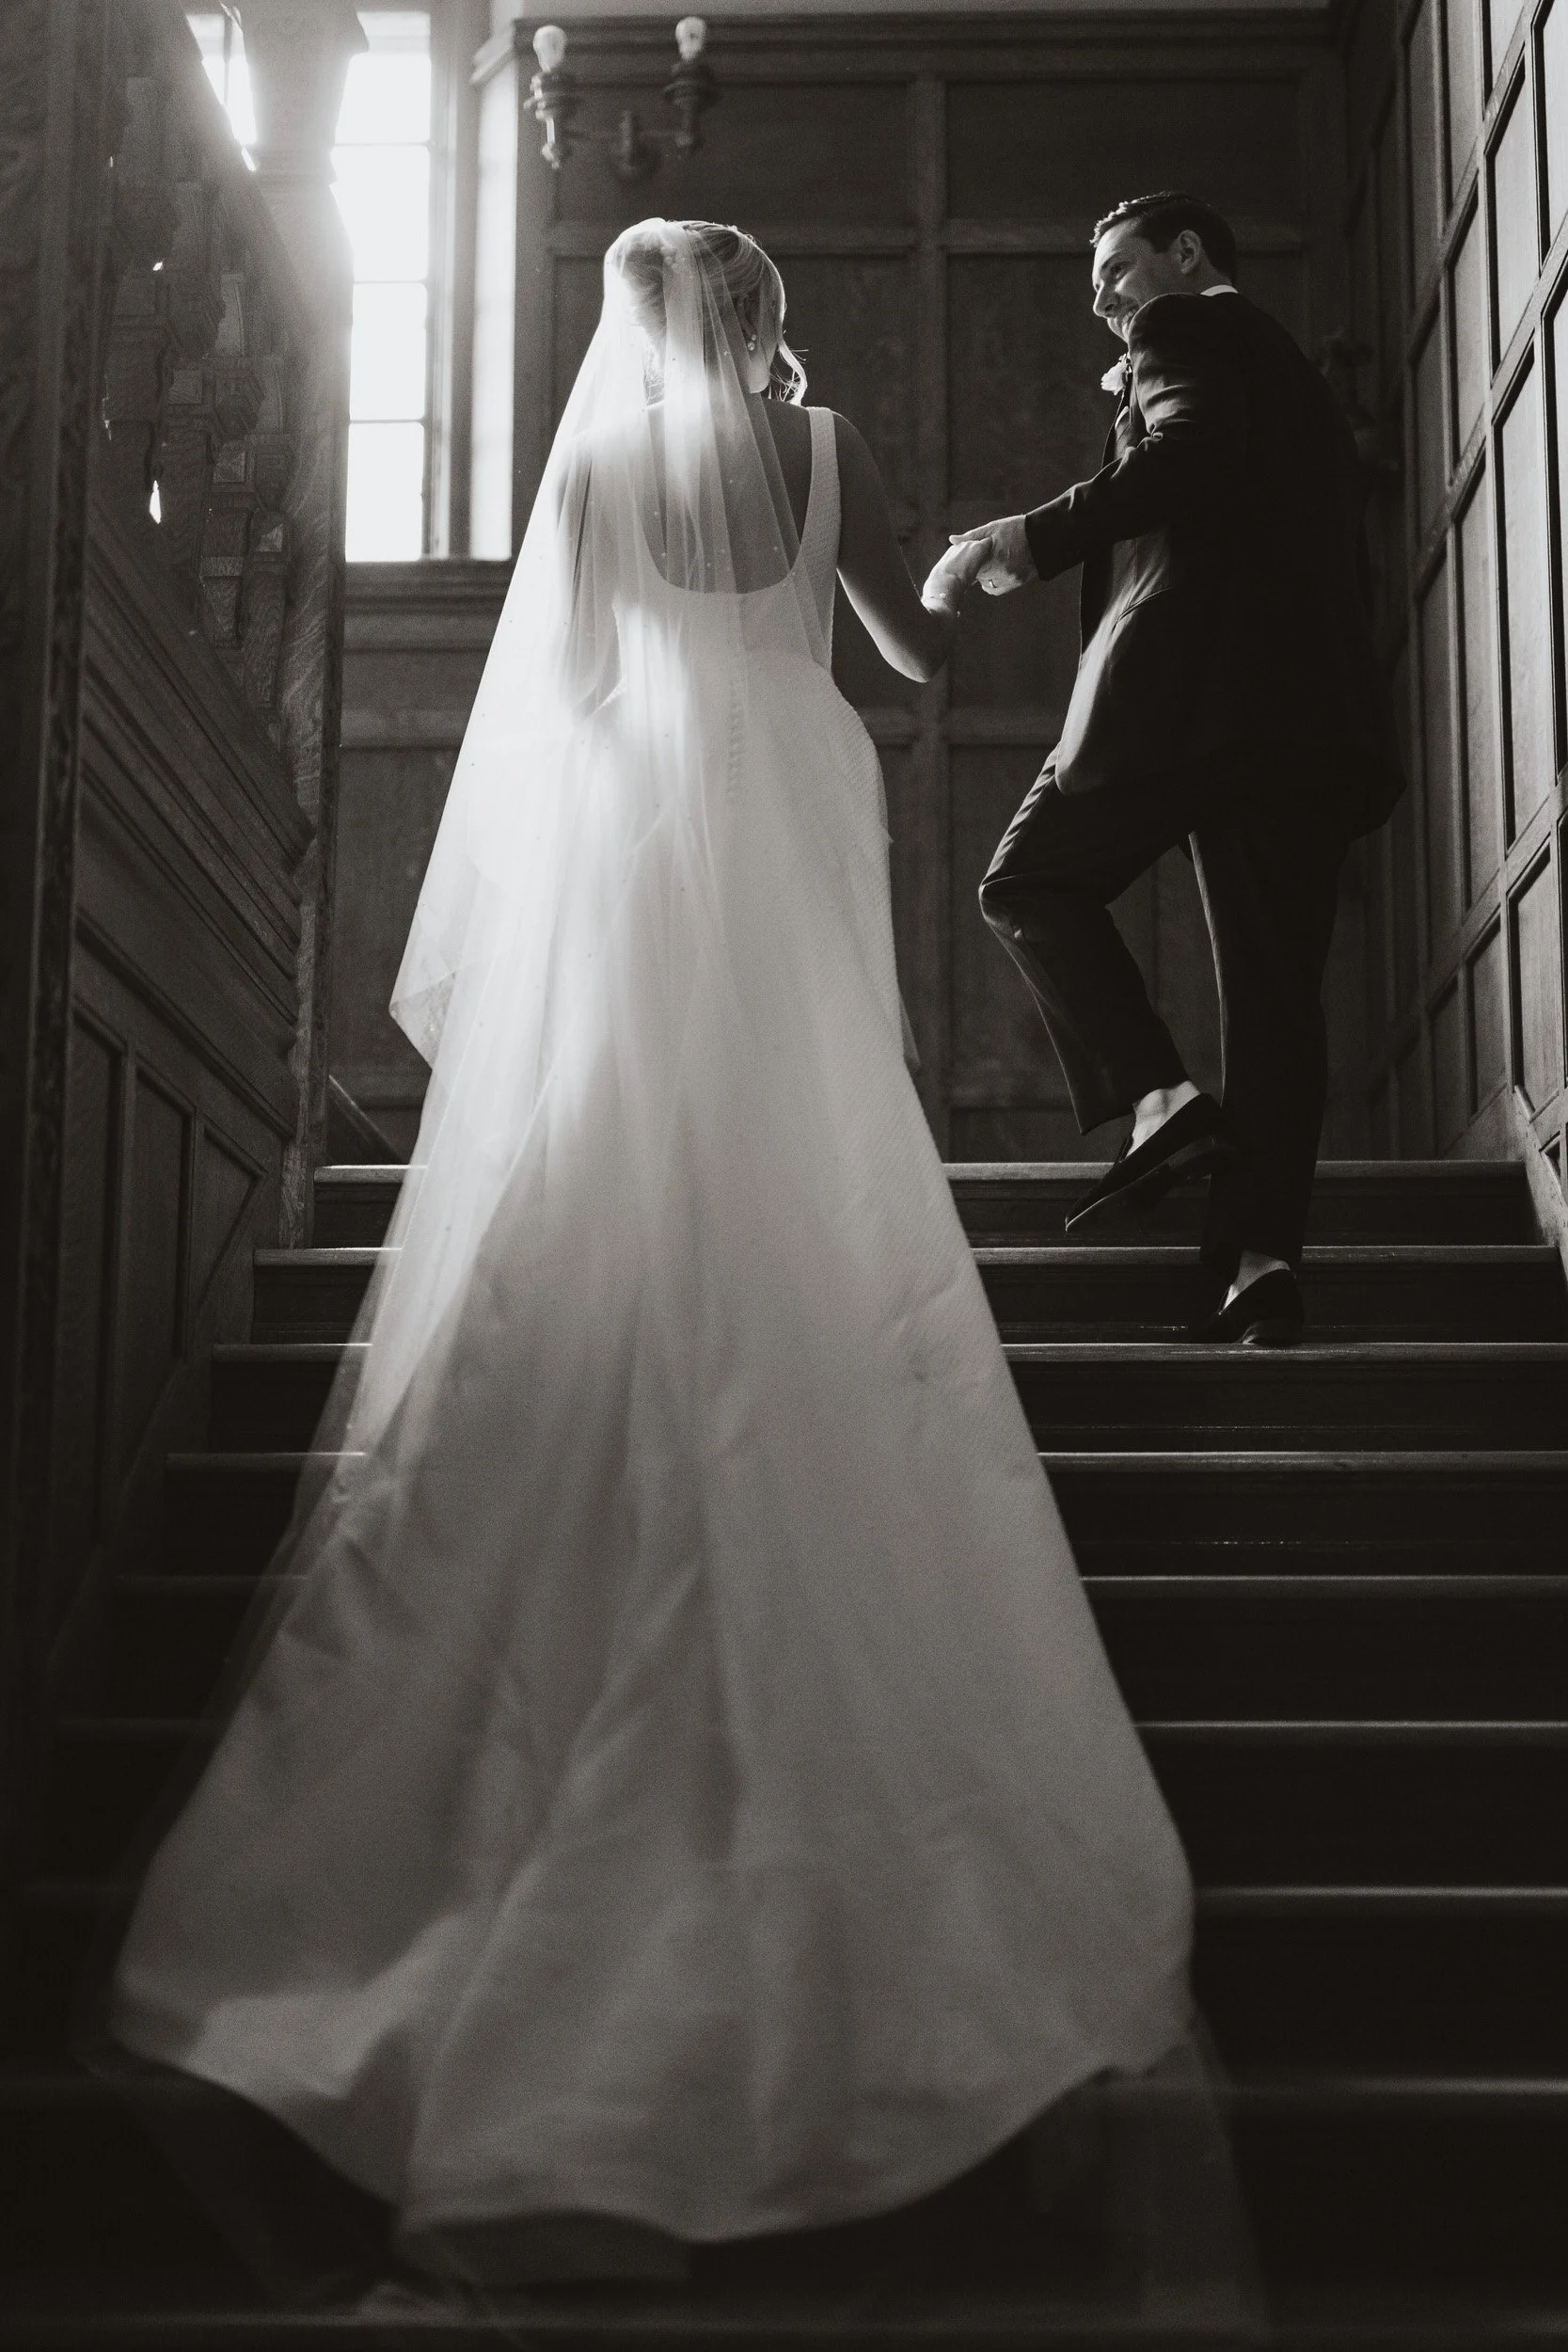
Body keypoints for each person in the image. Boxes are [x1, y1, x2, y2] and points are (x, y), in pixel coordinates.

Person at [109, 219, 1195, 2286]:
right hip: (782, 860)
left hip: (636, 879)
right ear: (767, 321)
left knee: (611, 1170)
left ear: (632, 334)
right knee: (801, 1168)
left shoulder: (595, 475)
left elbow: (574, 688)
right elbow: (905, 656)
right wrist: (857, 580)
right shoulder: (835, 451)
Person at [956, 191, 1404, 1346]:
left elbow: (1191, 451)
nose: (1103, 299)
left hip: (1191, 700)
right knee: (1271, 998)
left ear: (1186, 255)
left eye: (1115, 268)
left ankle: (1159, 1099)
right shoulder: (1290, 371)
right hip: (1306, 720)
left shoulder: (1185, 329)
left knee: (1023, 881)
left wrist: (1031, 535)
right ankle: (1260, 1270)